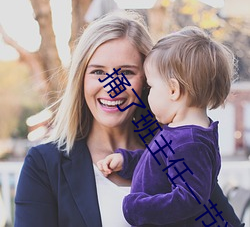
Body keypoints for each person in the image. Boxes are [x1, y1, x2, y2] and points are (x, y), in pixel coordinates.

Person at [14, 12, 243, 227]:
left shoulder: (179, 148)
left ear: (148, 80)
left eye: (126, 73)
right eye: (98, 72)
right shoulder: (44, 164)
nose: (111, 87)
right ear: (81, 79)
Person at [97, 26, 244, 226]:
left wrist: (138, 207)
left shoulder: (190, 143)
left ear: (173, 90)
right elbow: (163, 164)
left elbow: (189, 198)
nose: (147, 94)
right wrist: (128, 161)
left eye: (151, 86)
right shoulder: (182, 134)